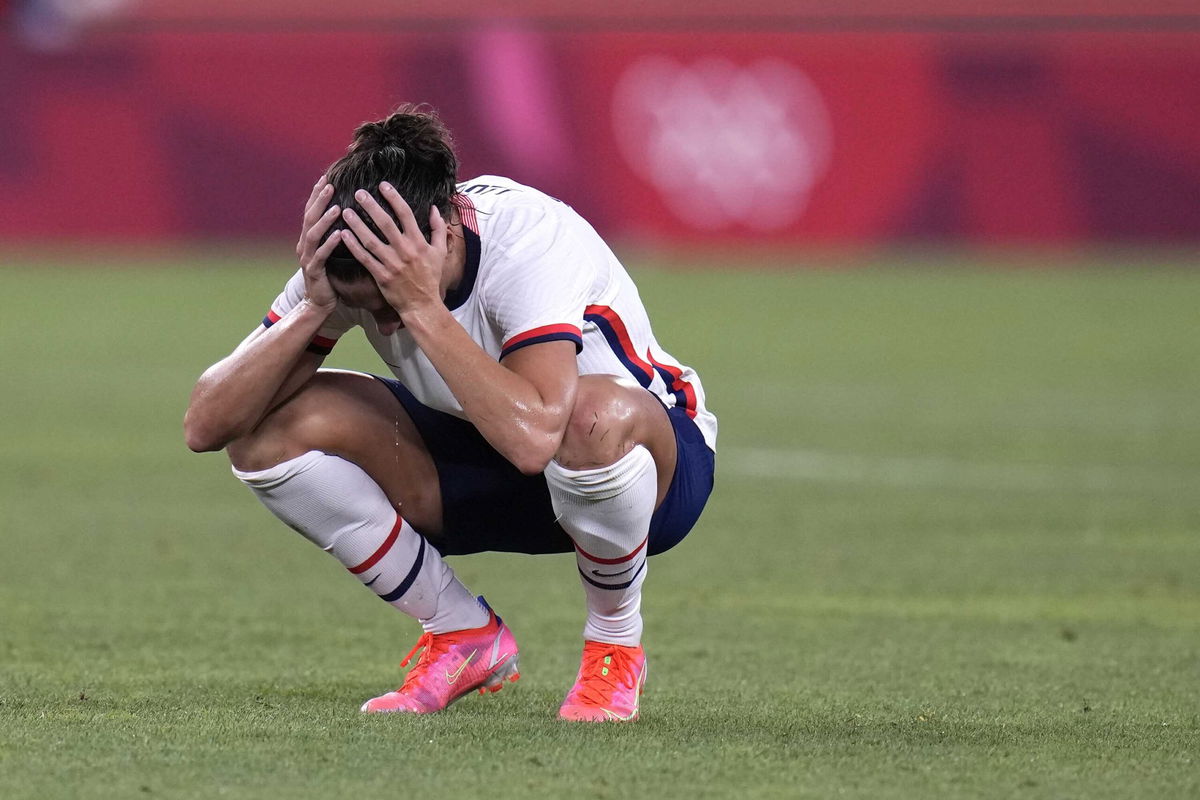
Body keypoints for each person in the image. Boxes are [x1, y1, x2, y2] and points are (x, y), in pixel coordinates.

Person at [183, 105, 717, 722]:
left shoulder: (530, 240)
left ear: (445, 234)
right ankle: (462, 633)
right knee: (266, 430)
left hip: (645, 477)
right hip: (491, 463)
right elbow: (206, 426)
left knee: (586, 417)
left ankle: (614, 646)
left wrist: (420, 308)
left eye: (389, 303)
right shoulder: (362, 253)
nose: (382, 322)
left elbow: (535, 436)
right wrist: (313, 306)